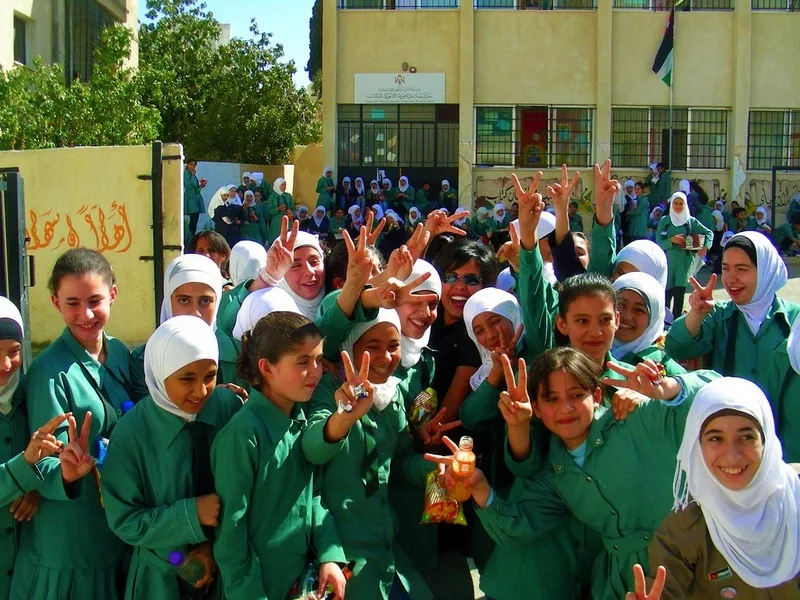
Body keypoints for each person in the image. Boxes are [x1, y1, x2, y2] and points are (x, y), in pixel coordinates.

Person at [427, 347, 715, 600]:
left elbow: (720, 394)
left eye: (577, 395)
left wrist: (669, 388)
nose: (565, 408)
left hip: (699, 567)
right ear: (537, 409)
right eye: (551, 399)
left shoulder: (638, 416)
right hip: (625, 583)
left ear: (597, 395)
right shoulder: (555, 474)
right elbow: (518, 526)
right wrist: (479, 486)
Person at [13, 248, 134, 600]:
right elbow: (44, 460)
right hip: (70, 540)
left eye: (95, 301)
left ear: (113, 294)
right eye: (72, 303)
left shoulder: (122, 355)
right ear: (56, 303)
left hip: (117, 526)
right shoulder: (49, 373)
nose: (86, 314)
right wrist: (66, 472)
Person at [102, 316, 243, 600]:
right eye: (186, 378)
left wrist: (210, 546)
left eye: (210, 376)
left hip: (228, 570)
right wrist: (191, 517)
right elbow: (125, 520)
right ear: (159, 371)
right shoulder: (131, 434)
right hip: (160, 578)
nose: (201, 391)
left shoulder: (228, 409)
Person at [214, 312, 348, 599]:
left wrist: (329, 555)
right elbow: (230, 539)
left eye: (318, 359)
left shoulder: (298, 419)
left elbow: (312, 496)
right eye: (303, 362)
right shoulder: (243, 435)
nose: (316, 371)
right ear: (267, 368)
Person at [302, 309, 434, 599]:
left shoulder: (392, 394)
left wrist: (436, 469)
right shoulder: (328, 389)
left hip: (388, 548)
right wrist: (345, 416)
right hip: (341, 556)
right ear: (349, 347)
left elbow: (398, 463)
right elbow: (313, 448)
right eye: (372, 347)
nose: (385, 358)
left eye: (393, 346)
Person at [649, 377, 800, 599]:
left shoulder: (795, 496)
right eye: (715, 438)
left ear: (766, 439)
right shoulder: (684, 531)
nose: (732, 456)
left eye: (746, 437)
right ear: (697, 445)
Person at [666, 231, 800, 391]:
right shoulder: (717, 315)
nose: (730, 279)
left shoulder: (795, 319)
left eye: (741, 269)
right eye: (725, 268)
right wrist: (697, 313)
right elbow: (676, 348)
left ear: (767, 271)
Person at [0, 298, 70, 600]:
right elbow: (32, 462)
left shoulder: (36, 393)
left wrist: (36, 486)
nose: (5, 365)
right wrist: (25, 469)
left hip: (33, 571)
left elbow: (55, 461)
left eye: (14, 351)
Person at [612, 273, 685, 375]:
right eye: (620, 304)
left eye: (639, 310)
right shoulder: (590, 351)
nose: (627, 316)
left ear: (653, 320)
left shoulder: (665, 370)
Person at [656, 192, 712, 316]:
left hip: (684, 264)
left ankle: (676, 321)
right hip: (668, 263)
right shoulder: (664, 221)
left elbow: (709, 233)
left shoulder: (691, 221)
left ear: (685, 205)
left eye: (681, 203)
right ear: (671, 204)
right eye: (675, 203)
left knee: (679, 295)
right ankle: (665, 320)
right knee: (666, 294)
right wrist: (671, 240)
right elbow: (658, 242)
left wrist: (706, 247)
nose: (678, 206)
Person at [183, 160, 206, 244]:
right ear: (187, 165)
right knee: (192, 221)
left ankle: (192, 239)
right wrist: (192, 176)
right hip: (190, 200)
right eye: (191, 165)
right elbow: (188, 185)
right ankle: (189, 240)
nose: (193, 167)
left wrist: (201, 186)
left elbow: (196, 189)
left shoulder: (193, 175)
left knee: (195, 220)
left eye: (194, 165)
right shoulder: (186, 174)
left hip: (196, 200)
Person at [268, 178, 295, 245]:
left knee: (287, 240)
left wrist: (292, 214)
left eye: (285, 184)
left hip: (288, 221)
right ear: (278, 185)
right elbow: (268, 211)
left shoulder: (288, 196)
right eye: (282, 185)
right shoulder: (272, 197)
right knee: (276, 240)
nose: (284, 186)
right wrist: (278, 209)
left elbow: (293, 208)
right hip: (276, 222)